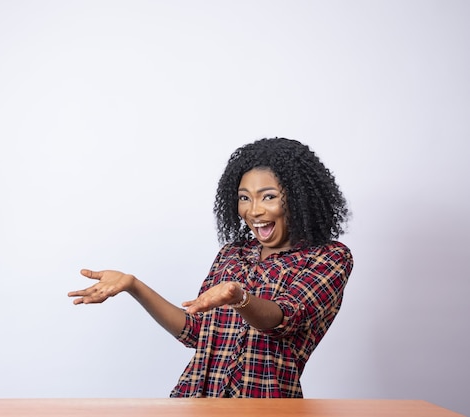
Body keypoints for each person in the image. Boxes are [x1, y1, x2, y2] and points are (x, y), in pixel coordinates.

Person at [68, 137, 353, 398]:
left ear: (299, 197)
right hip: (194, 403)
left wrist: (239, 298)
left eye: (268, 196)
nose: (253, 210)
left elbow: (285, 319)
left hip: (266, 407)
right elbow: (196, 331)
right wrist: (134, 285)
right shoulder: (232, 254)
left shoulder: (328, 258)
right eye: (244, 197)